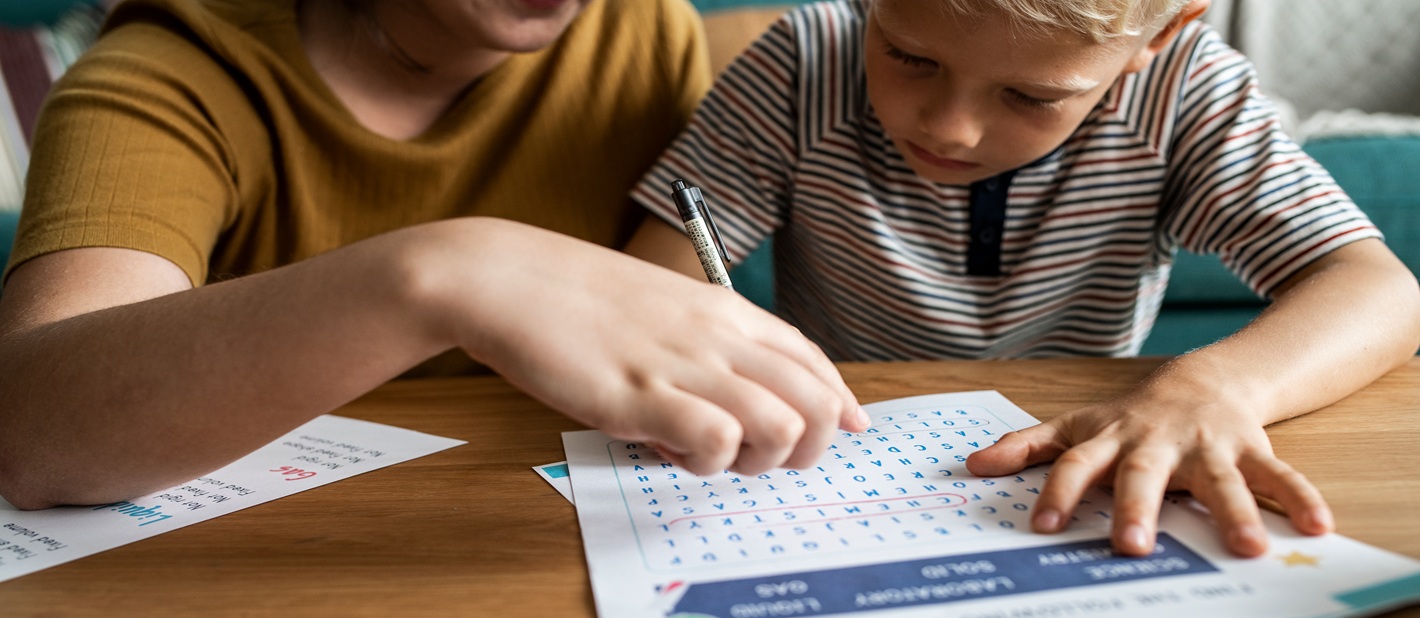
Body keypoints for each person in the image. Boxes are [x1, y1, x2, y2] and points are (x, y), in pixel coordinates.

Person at [0, 0, 872, 511]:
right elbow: (33, 432)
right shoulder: (168, 74)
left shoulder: (641, 31)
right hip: (285, 573)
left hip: (539, 542)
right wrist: (442, 274)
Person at [624, 0, 1420, 558]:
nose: (950, 127)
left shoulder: (1185, 90)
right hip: (839, 469)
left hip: (1083, 468)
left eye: (1032, 96)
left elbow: (1381, 291)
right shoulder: (803, 65)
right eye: (908, 56)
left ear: (1162, 33)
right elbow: (649, 290)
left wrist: (1213, 388)